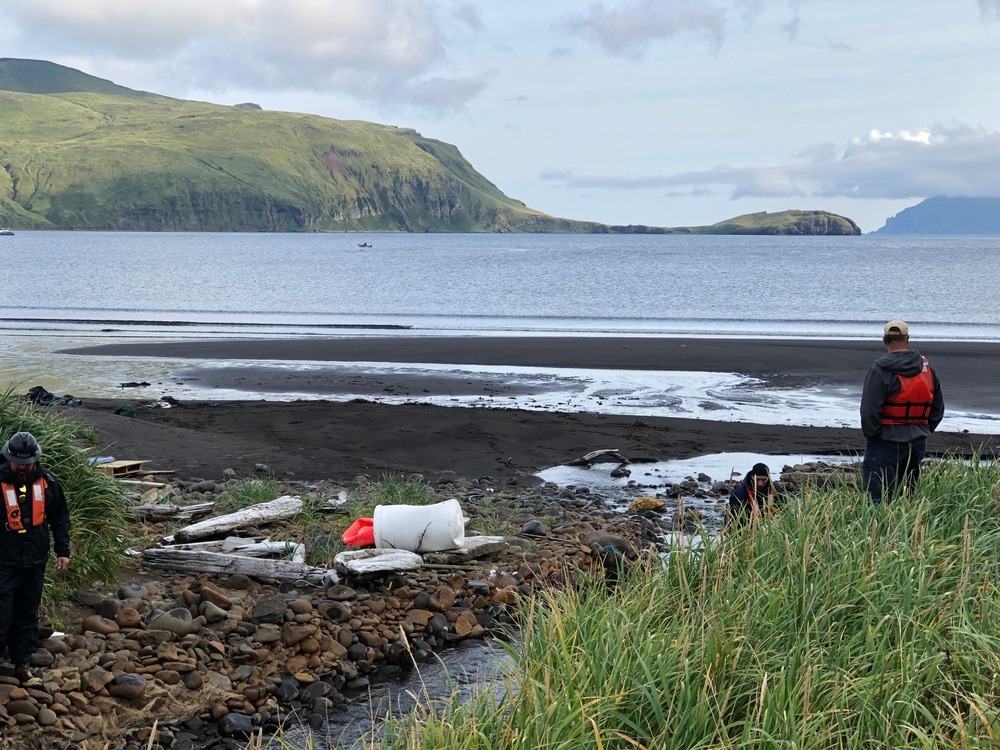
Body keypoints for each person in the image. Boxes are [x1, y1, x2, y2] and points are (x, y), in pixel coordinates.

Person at [0, 431, 71, 686]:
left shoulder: (48, 483)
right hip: (3, 561)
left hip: (35, 560)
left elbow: (60, 519)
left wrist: (63, 551)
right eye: (17, 463)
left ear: (35, 460)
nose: (22, 468)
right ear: (8, 458)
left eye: (26, 464)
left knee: (27, 612)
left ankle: (22, 661)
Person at [860, 320, 945, 503]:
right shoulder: (927, 368)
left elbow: (869, 412)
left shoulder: (879, 369)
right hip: (916, 443)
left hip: (885, 442)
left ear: (884, 340)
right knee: (907, 495)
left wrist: (874, 436)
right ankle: (909, 529)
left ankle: (880, 529)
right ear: (908, 338)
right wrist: (923, 431)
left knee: (877, 498)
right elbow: (938, 409)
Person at [727, 462, 784, 530]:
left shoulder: (775, 489)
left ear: (768, 477)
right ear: (752, 477)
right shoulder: (739, 494)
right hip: (747, 530)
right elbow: (732, 520)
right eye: (757, 479)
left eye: (763, 480)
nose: (760, 483)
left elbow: (784, 509)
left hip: (772, 528)